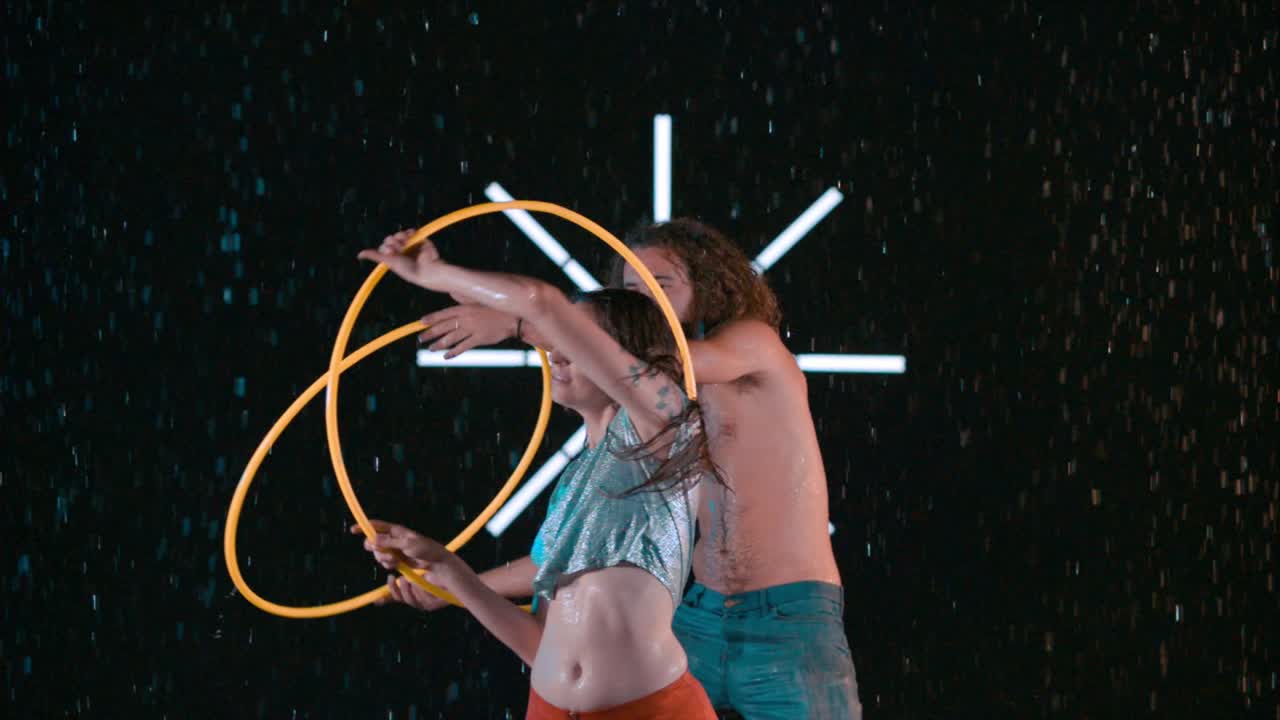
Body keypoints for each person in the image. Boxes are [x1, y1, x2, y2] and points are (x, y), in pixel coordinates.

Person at [411, 218, 862, 719]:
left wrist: (518, 323)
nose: (645, 296)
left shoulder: (749, 344)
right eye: (631, 288)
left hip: (789, 616)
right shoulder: (629, 426)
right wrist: (449, 584)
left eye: (661, 283)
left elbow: (649, 358)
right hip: (700, 611)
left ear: (710, 284)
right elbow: (570, 558)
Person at [355, 230, 719, 719]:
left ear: (621, 358)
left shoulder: (664, 425)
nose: (556, 354)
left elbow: (543, 304)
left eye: (571, 343)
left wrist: (438, 275)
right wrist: (451, 574)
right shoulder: (573, 482)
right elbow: (538, 643)